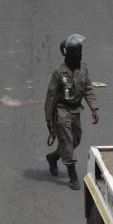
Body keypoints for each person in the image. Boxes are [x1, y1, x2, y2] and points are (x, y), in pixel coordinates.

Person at [44, 34, 99, 190]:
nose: (79, 55)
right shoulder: (59, 74)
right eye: (75, 52)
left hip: (76, 109)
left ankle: (53, 157)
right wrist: (49, 119)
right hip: (62, 109)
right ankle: (72, 175)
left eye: (80, 51)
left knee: (76, 139)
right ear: (67, 53)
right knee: (67, 141)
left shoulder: (83, 70)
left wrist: (94, 108)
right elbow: (51, 96)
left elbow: (88, 89)